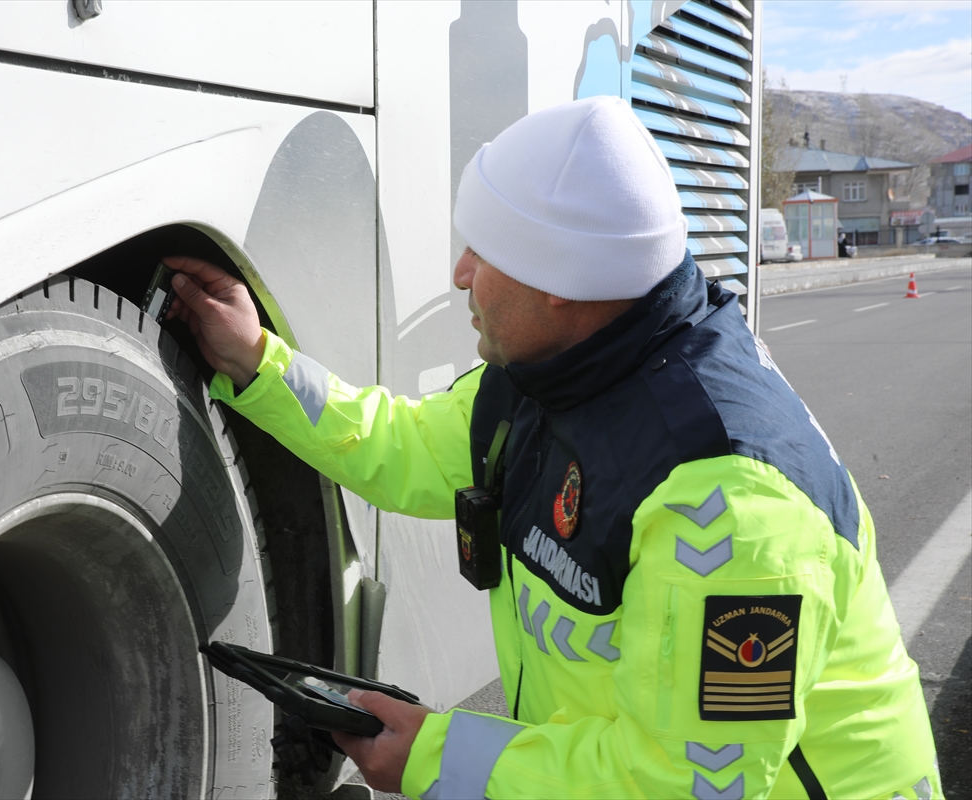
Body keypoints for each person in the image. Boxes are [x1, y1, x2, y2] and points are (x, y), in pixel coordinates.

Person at [163, 97, 941, 799]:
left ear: (560, 281)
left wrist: (434, 755)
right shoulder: (552, 378)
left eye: (485, 252)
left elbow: (683, 786)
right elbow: (399, 444)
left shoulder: (732, 506)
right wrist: (255, 361)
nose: (460, 273)